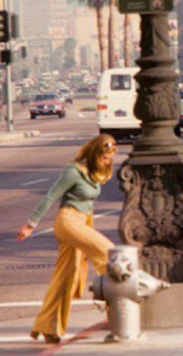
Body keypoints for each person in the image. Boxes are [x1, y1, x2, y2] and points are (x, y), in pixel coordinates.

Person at [17, 135, 118, 344]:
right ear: (95, 154)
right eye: (105, 157)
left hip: (80, 223)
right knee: (110, 254)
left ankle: (48, 327)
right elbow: (50, 197)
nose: (108, 161)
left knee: (66, 277)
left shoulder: (93, 172)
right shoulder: (73, 172)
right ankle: (116, 313)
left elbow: (88, 206)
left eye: (110, 158)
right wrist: (30, 225)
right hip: (68, 222)